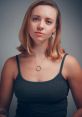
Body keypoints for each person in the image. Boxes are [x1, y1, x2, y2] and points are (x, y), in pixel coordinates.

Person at [0, 0, 82, 117]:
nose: (40, 26)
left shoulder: (69, 63)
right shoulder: (11, 64)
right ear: (27, 23)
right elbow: (2, 110)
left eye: (48, 22)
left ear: (55, 28)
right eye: (35, 19)